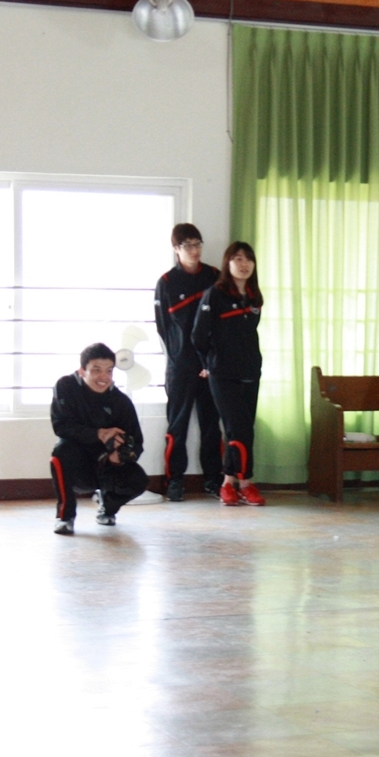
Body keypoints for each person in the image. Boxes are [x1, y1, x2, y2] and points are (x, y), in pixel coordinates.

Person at [49, 342, 150, 535]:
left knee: (138, 480)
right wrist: (99, 434)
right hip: (77, 460)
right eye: (96, 370)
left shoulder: (121, 402)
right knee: (60, 453)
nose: (103, 377)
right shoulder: (66, 386)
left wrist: (121, 456)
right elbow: (61, 427)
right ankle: (65, 517)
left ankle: (108, 508)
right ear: (82, 371)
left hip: (106, 463)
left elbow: (136, 441)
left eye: (109, 371)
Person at [154, 223, 224, 502]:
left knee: (211, 425)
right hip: (180, 367)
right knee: (177, 426)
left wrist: (211, 361)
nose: (194, 250)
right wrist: (180, 359)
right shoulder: (167, 282)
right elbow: (164, 328)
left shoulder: (214, 277)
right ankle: (174, 481)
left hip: (210, 366)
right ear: (176, 249)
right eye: (187, 245)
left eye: (197, 244)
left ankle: (213, 479)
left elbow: (221, 322)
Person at [193, 242, 267, 507]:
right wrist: (207, 363)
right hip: (222, 374)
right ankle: (245, 483)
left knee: (241, 430)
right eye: (237, 259)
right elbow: (198, 335)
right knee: (239, 428)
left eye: (248, 259)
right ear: (228, 263)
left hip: (250, 372)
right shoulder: (214, 294)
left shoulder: (255, 296)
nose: (244, 264)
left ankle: (227, 483)